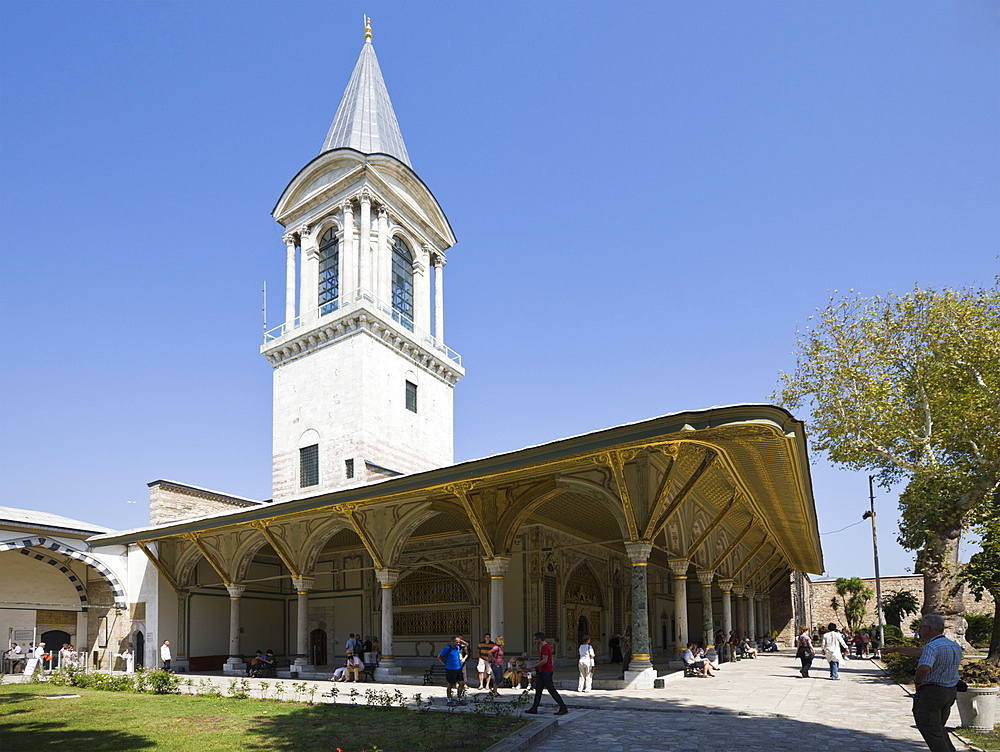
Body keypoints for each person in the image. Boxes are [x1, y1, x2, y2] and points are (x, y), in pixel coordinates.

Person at [912, 614, 962, 752]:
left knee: (930, 728)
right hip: (950, 691)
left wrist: (918, 681)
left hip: (932, 692)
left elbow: (924, 667)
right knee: (938, 727)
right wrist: (895, 649)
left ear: (928, 628)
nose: (919, 630)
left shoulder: (931, 646)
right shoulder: (953, 645)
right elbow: (918, 652)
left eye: (921, 627)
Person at [524, 632, 568, 715]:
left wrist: (533, 666)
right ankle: (534, 708)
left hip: (546, 671)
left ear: (540, 639)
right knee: (538, 689)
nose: (535, 640)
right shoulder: (546, 646)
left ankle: (563, 707)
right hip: (543, 671)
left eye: (536, 639)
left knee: (551, 689)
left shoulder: (545, 647)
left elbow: (544, 660)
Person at [438, 635, 469, 706]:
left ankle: (459, 698)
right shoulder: (448, 648)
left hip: (458, 668)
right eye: (456, 642)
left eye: (459, 642)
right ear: (452, 642)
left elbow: (467, 645)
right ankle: (449, 700)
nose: (458, 643)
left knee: (461, 683)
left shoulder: (458, 648)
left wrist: (461, 641)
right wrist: (445, 663)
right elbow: (440, 656)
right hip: (450, 669)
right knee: (450, 684)